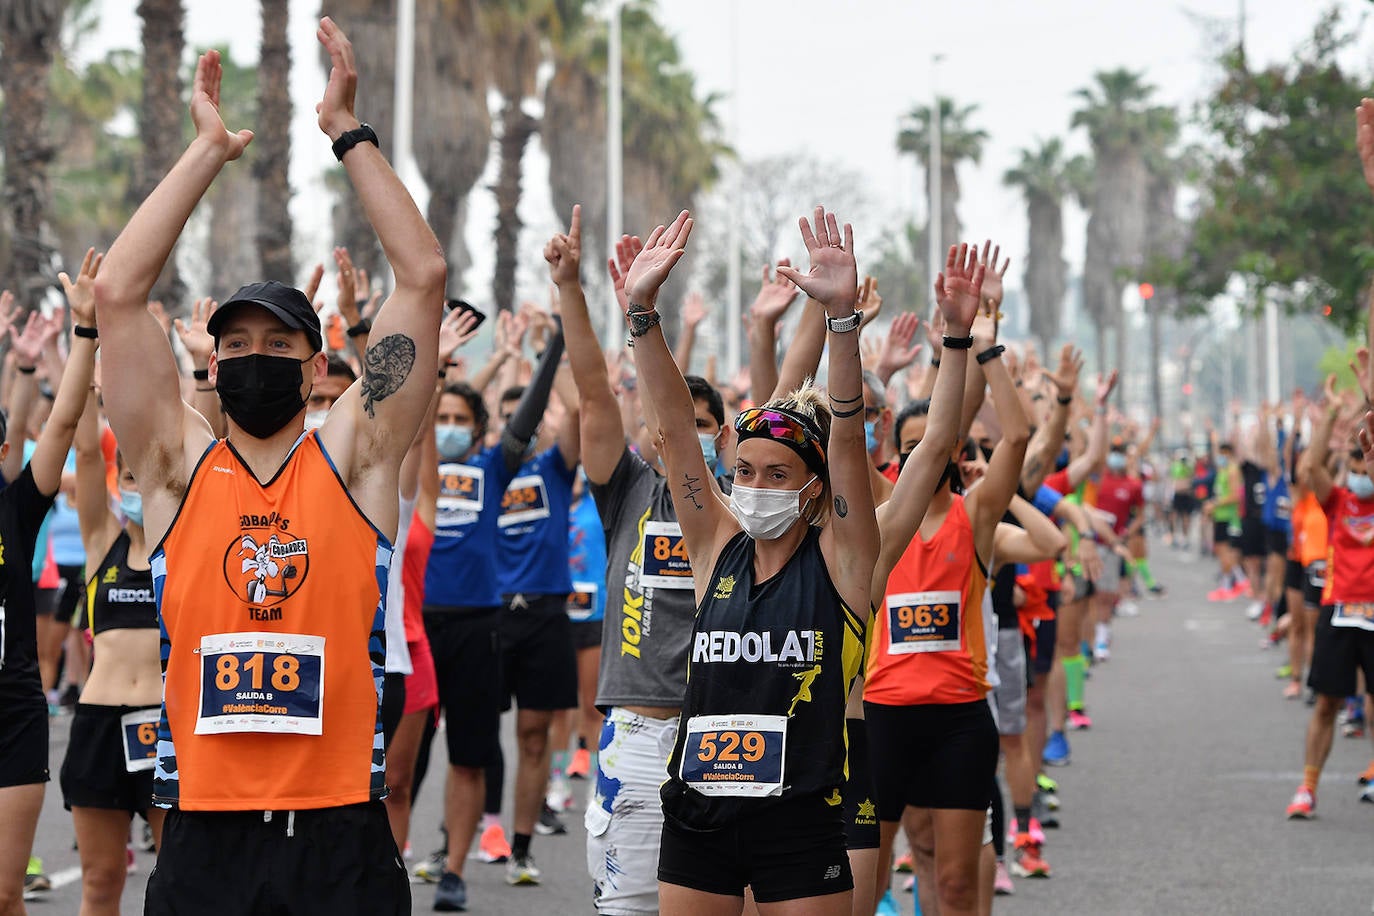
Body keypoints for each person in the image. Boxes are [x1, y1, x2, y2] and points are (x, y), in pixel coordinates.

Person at [95, 21, 446, 914]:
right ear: (212, 369)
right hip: (203, 834)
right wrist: (206, 152)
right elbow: (117, 295)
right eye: (237, 343)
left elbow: (422, 275)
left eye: (278, 342)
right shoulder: (174, 470)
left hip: (338, 837)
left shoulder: (358, 457)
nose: (255, 356)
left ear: (318, 367)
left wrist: (346, 131)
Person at [627, 207, 877, 915]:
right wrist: (642, 314)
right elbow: (676, 430)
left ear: (815, 488)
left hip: (797, 823)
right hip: (699, 818)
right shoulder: (716, 548)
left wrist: (841, 323)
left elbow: (850, 441)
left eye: (779, 474)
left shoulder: (843, 561)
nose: (757, 487)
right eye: (746, 472)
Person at [549, 207, 735, 915]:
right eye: (668, 421)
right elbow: (596, 394)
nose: (681, 434)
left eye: (699, 425)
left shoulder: (741, 509)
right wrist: (571, 286)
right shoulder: (626, 490)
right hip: (638, 738)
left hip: (724, 738)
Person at [0, 260, 100, 915]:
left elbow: (60, 427)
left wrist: (84, 333)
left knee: (6, 893)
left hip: (13, 707)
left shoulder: (15, 504)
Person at [1288, 383, 1374, 820]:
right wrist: (1329, 416)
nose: (1361, 468)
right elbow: (1308, 467)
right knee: (1326, 703)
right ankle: (1307, 787)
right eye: (1356, 461)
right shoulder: (1338, 502)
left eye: (1367, 460)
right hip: (1339, 609)